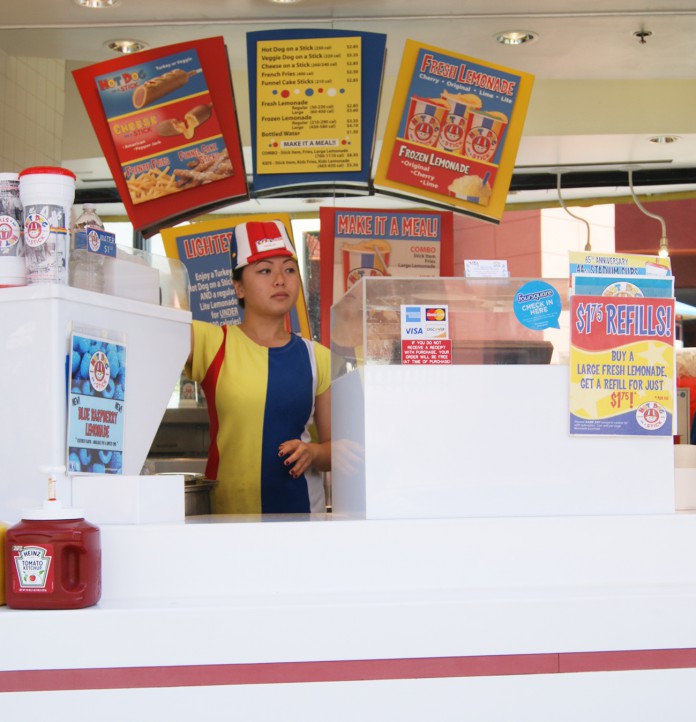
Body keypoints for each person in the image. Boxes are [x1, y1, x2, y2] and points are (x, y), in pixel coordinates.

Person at [185, 221, 331, 514]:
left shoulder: (318, 357)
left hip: (303, 524)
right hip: (227, 521)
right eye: (265, 270)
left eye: (289, 269)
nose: (280, 280)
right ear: (238, 287)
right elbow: (145, 330)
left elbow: (338, 450)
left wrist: (313, 452)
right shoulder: (210, 341)